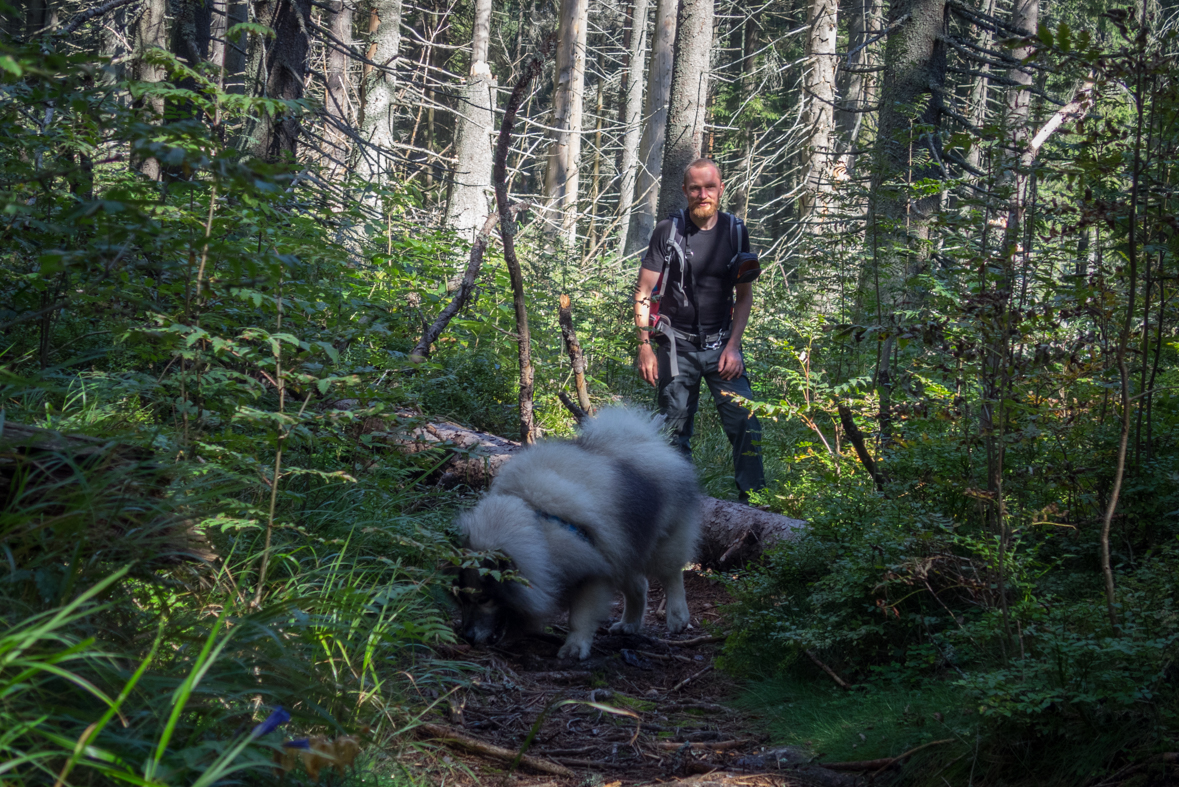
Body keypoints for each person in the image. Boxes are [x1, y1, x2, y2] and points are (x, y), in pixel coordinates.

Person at [633, 158, 767, 501]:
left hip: (722, 347)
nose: (702, 194)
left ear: (721, 189)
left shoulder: (736, 231)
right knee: (675, 431)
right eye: (695, 188)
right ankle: (679, 503)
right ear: (685, 191)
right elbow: (644, 292)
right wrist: (645, 346)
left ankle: (755, 505)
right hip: (676, 348)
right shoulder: (669, 230)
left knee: (746, 424)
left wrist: (734, 346)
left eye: (709, 187)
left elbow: (744, 296)